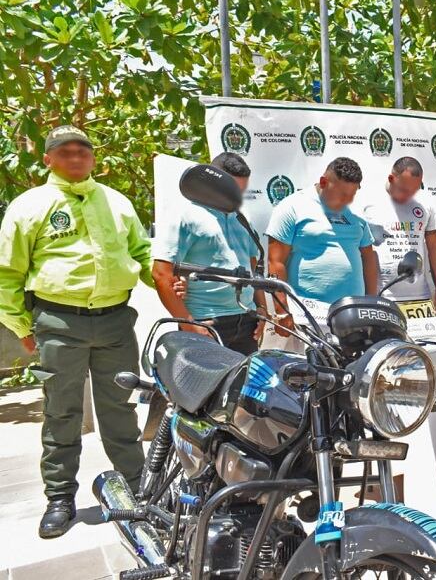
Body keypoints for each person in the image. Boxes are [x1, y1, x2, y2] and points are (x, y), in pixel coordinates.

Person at [0, 125, 150, 538]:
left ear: (92, 157)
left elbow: (142, 252)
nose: (75, 158)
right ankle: (60, 498)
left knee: (120, 409)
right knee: (61, 414)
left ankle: (137, 489)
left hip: (115, 321)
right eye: (65, 152)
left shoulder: (116, 202)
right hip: (58, 322)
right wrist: (21, 326)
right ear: (48, 159)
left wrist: (166, 283)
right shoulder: (30, 206)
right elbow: (8, 273)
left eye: (82, 151)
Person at [151, 153, 266, 355]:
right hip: (206, 321)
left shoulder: (241, 216)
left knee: (245, 377)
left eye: (241, 191)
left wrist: (262, 310)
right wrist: (189, 324)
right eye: (233, 191)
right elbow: (161, 274)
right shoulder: (184, 214)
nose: (237, 197)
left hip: (247, 322)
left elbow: (252, 267)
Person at [266, 157, 378, 335]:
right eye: (341, 195)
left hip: (354, 314)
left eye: (352, 195)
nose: (347, 201)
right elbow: (275, 262)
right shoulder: (292, 206)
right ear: (324, 182)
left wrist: (372, 304)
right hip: (307, 317)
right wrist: (282, 311)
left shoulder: (357, 213)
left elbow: (368, 258)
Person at [362, 157, 436, 312]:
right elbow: (362, 250)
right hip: (382, 296)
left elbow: (435, 246)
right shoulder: (368, 201)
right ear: (391, 179)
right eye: (404, 190)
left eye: (414, 191)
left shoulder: (426, 201)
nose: (409, 196)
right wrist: (370, 297)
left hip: (420, 298)